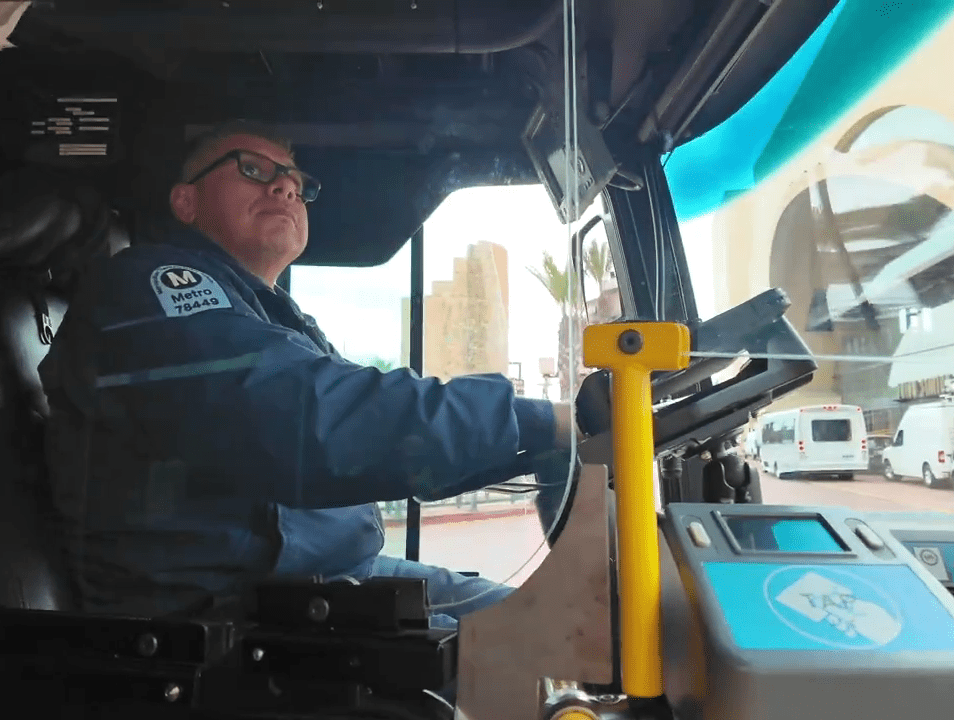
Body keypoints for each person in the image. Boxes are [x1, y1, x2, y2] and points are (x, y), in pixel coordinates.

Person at [38, 120, 582, 629]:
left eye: (297, 182)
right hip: (226, 616)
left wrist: (536, 442)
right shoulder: (149, 287)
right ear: (186, 199)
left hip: (330, 583)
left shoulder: (275, 316)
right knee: (530, 660)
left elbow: (383, 441)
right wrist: (542, 421)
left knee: (562, 631)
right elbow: (308, 416)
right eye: (253, 169)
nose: (285, 188)